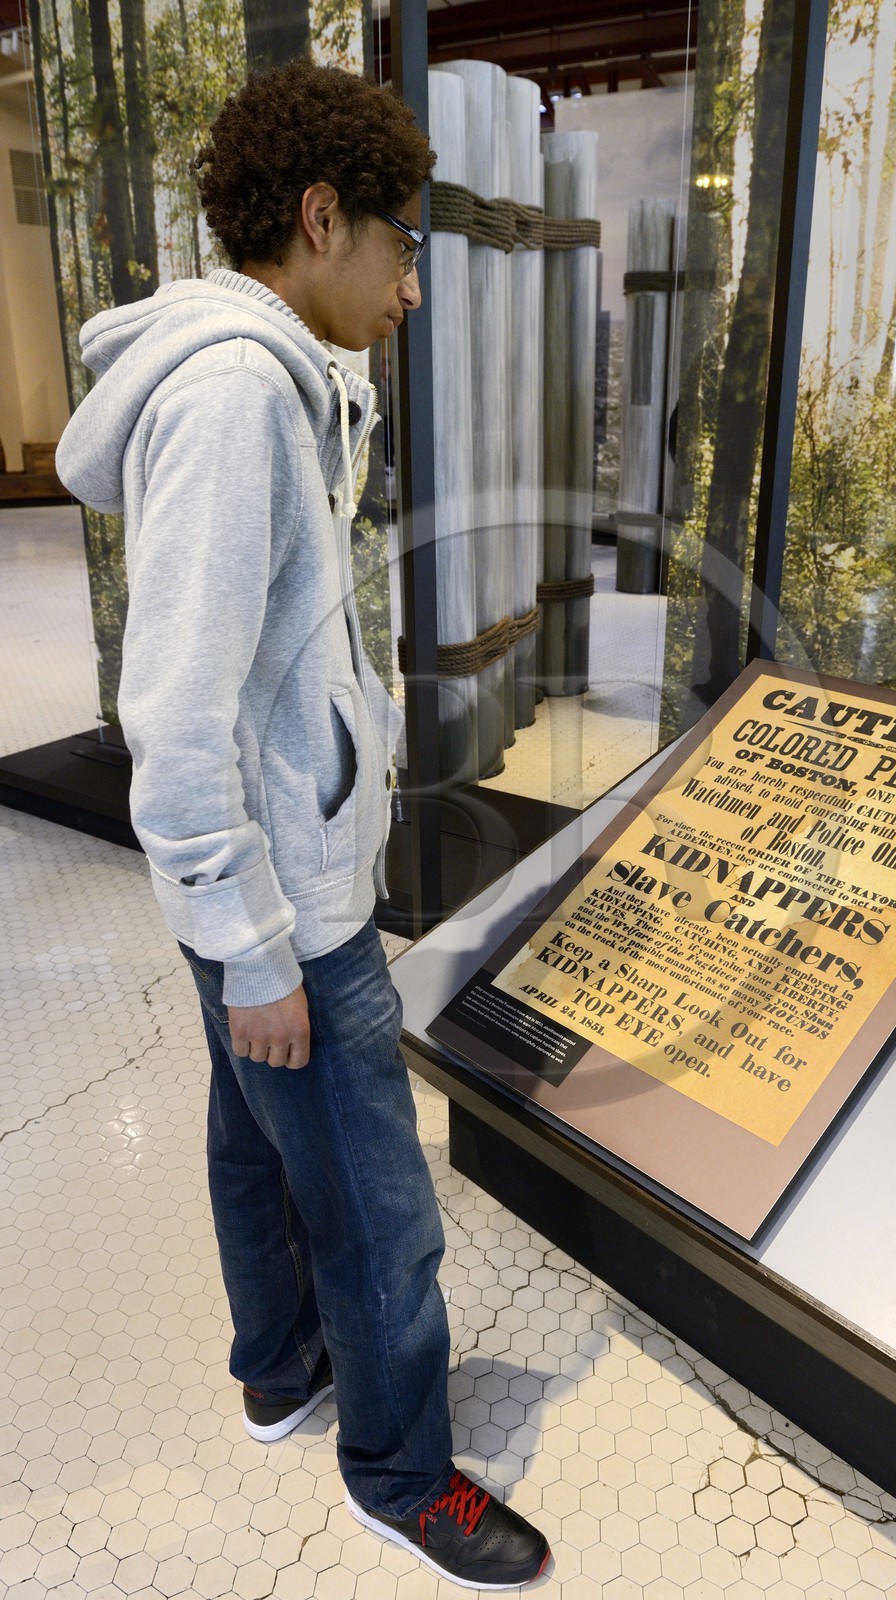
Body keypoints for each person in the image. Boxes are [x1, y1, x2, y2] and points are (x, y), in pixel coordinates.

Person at [56, 59, 550, 1591]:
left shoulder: (279, 380)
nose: (412, 287)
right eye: (402, 245)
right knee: (385, 1216)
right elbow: (175, 713)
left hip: (271, 880)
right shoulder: (233, 401)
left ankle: (280, 1370)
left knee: (252, 1140)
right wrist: (258, 946)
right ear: (322, 220)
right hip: (288, 907)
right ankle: (400, 1473)